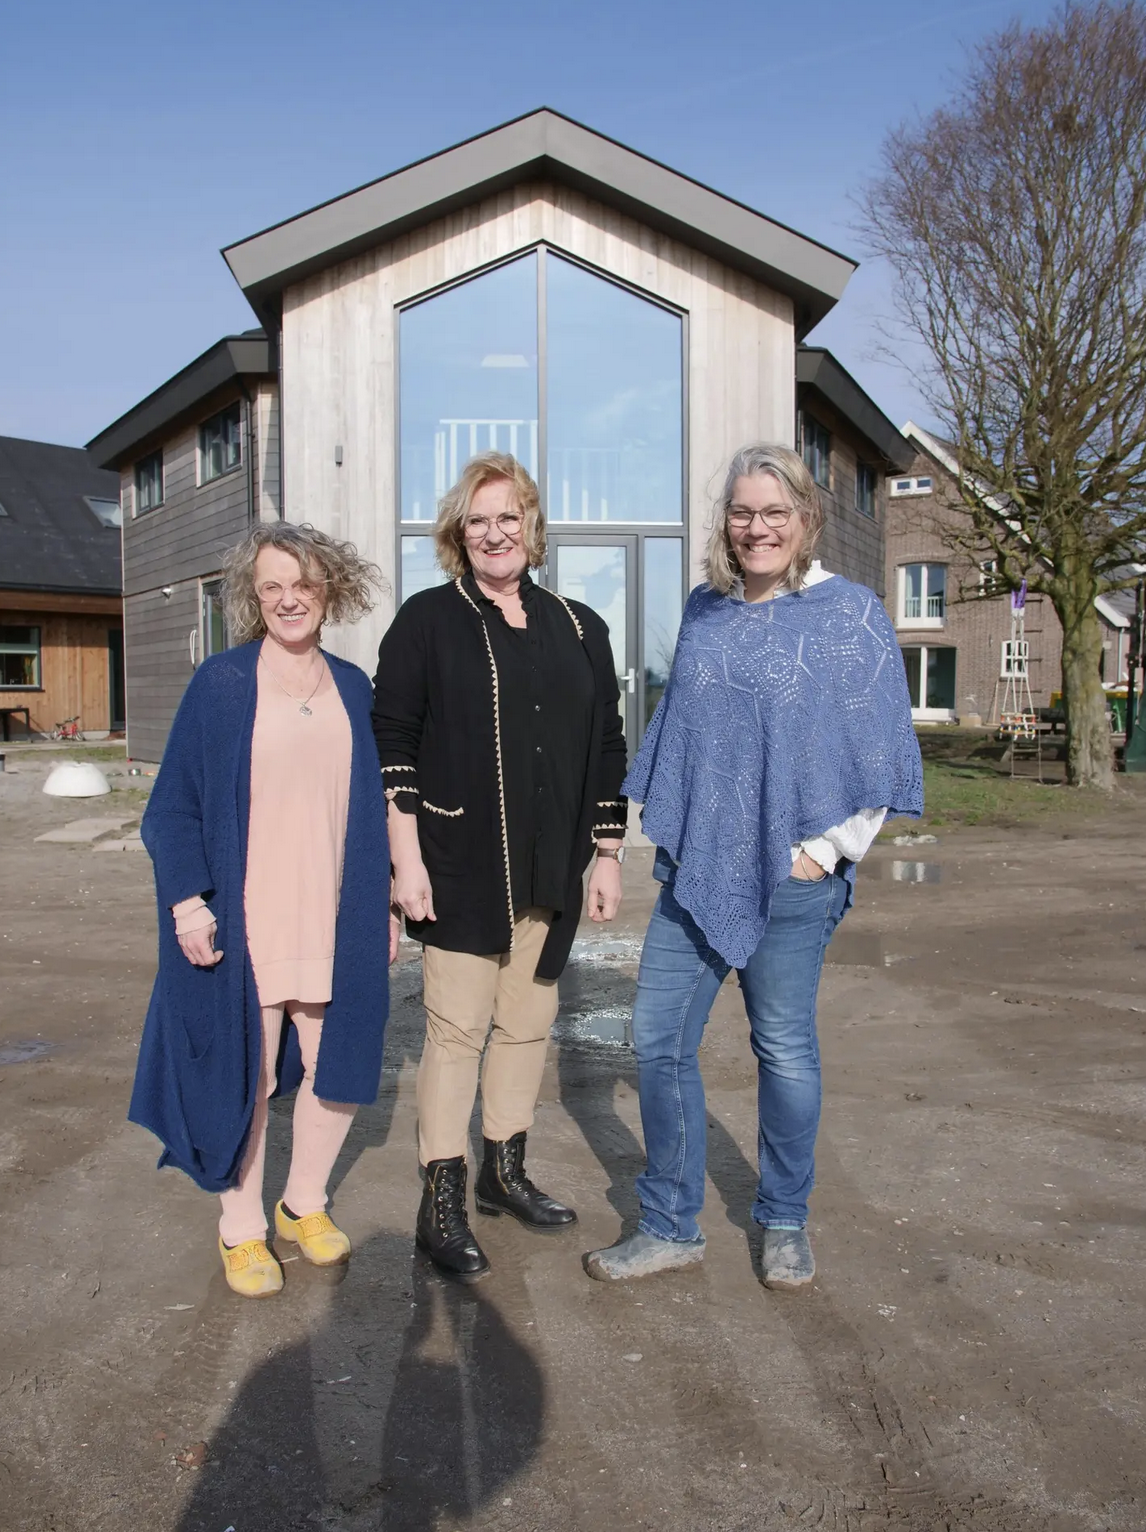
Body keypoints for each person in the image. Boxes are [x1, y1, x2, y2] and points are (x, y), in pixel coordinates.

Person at [585, 444, 922, 1290]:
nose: (757, 527)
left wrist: (824, 851)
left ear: (807, 517)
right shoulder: (707, 608)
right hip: (697, 869)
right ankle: (669, 1225)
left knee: (783, 1048)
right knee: (658, 1040)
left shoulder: (849, 615)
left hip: (794, 875)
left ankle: (784, 1220)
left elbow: (879, 748)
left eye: (775, 511)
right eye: (742, 512)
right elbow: (689, 734)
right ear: (725, 522)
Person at [372, 451, 627, 1283]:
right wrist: (405, 860)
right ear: (459, 532)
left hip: (551, 864)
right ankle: (440, 1201)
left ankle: (503, 1171)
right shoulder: (427, 620)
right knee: (455, 1031)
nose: (493, 533)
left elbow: (607, 745)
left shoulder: (580, 627)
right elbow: (393, 742)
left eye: (507, 517)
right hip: (458, 862)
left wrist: (608, 853)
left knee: (526, 1023)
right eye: (477, 520)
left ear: (531, 525)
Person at [130, 523, 396, 1299]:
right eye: (272, 586)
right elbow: (171, 808)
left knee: (341, 1064)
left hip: (334, 911)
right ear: (254, 597)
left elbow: (371, 810)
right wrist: (188, 903)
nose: (288, 599)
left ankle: (302, 1203)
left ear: (329, 589)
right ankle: (241, 1226)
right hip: (246, 920)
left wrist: (382, 901)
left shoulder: (352, 686)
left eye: (303, 583)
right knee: (248, 1073)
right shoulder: (221, 683)